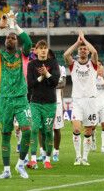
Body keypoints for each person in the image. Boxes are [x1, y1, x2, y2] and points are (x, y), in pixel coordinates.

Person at [0, 11, 33, 179]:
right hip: (5, 100)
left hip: (21, 98)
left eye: (13, 38)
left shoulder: (23, 55)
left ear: (16, 41)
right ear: (5, 41)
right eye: (8, 38)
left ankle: (21, 164)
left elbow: (28, 42)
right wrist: (0, 28)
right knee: (5, 134)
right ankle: (6, 170)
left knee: (27, 130)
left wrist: (15, 26)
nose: (10, 39)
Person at [64, 32, 99, 166]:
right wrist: (77, 43)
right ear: (78, 52)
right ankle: (78, 157)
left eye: (85, 49)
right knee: (77, 129)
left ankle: (85, 157)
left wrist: (84, 40)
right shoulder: (73, 65)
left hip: (91, 100)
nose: (83, 50)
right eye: (81, 49)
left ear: (87, 52)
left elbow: (94, 52)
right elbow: (66, 55)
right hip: (77, 100)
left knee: (89, 130)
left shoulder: (93, 64)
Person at [26, 40, 60, 169]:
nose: (43, 50)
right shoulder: (31, 65)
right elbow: (30, 84)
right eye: (40, 48)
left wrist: (47, 73)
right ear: (36, 51)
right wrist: (41, 77)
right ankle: (33, 159)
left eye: (45, 48)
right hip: (35, 102)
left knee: (47, 131)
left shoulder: (54, 63)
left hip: (50, 103)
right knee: (34, 129)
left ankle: (47, 159)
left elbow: (55, 82)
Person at [52, 57, 67, 162]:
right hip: (43, 101)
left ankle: (56, 152)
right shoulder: (41, 67)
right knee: (41, 128)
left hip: (57, 102)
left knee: (57, 129)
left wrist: (49, 84)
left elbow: (63, 84)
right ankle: (43, 152)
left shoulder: (61, 68)